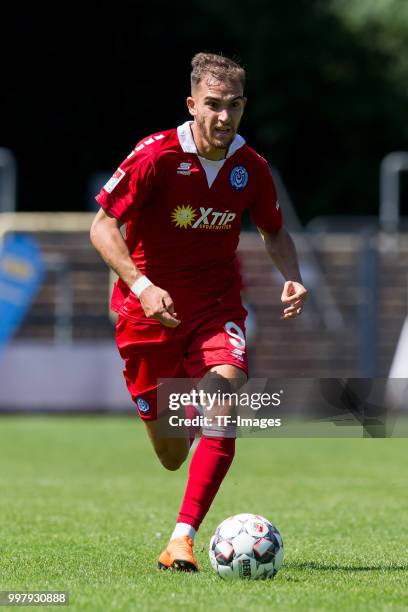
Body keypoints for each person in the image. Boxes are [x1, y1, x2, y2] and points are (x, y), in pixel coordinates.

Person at [90, 52, 307, 572]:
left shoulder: (251, 168)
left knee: (224, 400)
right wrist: (141, 286)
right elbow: (102, 226)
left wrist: (291, 275)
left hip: (215, 308)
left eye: (233, 106)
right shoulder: (156, 156)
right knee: (170, 455)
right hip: (148, 314)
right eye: (212, 105)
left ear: (243, 108)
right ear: (192, 104)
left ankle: (181, 538)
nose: (223, 117)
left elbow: (273, 229)